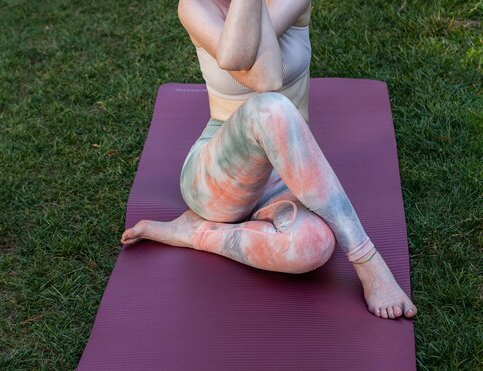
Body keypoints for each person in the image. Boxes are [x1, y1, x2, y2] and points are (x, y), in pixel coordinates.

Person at [121, 0, 417, 320]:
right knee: (271, 107)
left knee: (313, 246)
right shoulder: (194, 6)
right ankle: (367, 259)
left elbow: (264, 71)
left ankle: (194, 232)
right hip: (219, 175)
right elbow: (263, 81)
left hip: (286, 170)